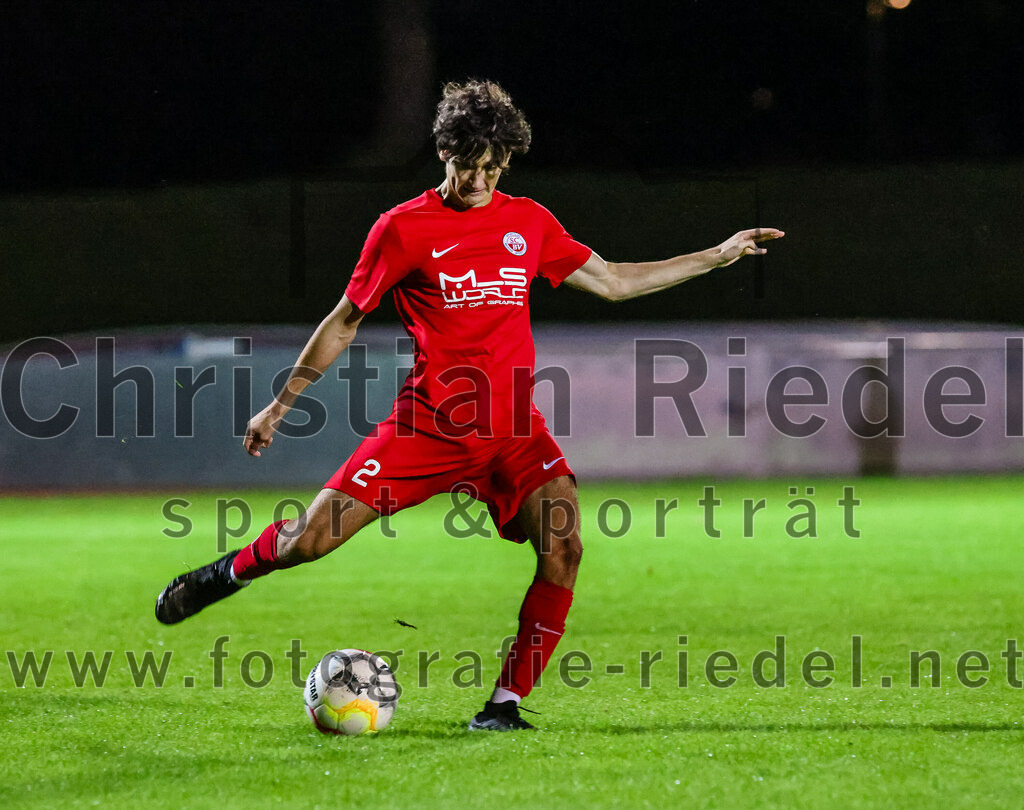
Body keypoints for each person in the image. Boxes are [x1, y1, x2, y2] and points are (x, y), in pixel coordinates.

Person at [155, 79, 784, 731]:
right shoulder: (402, 229)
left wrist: (716, 255)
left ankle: (503, 707)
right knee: (308, 543)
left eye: (492, 167)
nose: (479, 179)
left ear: (506, 161)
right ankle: (229, 572)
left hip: (514, 431)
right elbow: (344, 320)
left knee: (564, 546)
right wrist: (281, 404)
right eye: (467, 165)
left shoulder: (528, 222)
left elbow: (615, 280)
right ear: (443, 153)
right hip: (426, 427)